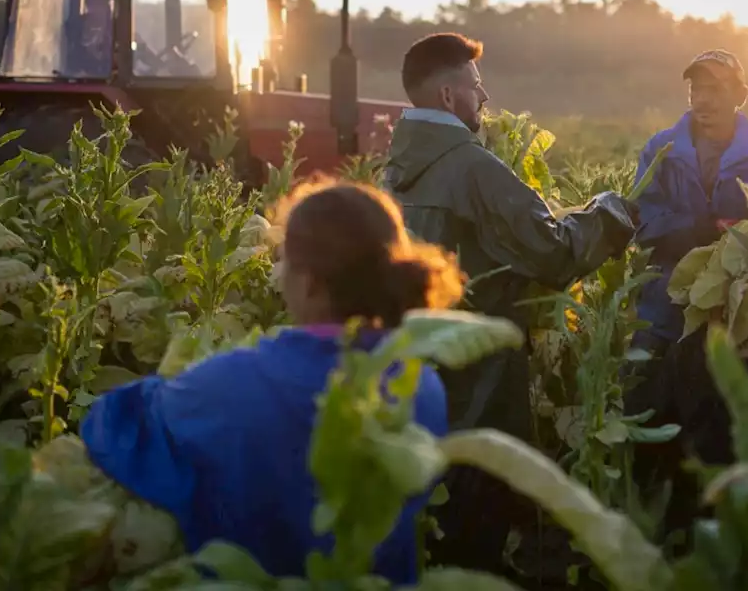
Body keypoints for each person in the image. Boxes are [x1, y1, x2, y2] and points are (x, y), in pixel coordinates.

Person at [80, 179, 464, 585]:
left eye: (283, 262)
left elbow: (111, 429)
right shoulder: (421, 387)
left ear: (311, 282)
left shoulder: (232, 383)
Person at [382, 32, 639, 575]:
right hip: (479, 375)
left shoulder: (394, 172)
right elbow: (553, 253)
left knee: (433, 515)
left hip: (421, 370)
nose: (484, 100)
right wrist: (610, 214)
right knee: (476, 517)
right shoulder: (471, 168)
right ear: (450, 97)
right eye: (477, 88)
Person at [622, 49, 748, 537]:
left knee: (715, 441)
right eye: (697, 88)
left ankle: (707, 543)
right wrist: (701, 228)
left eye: (717, 88)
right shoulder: (660, 150)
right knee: (650, 431)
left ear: (740, 95)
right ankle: (650, 540)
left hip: (730, 320)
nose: (704, 99)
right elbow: (642, 219)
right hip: (661, 313)